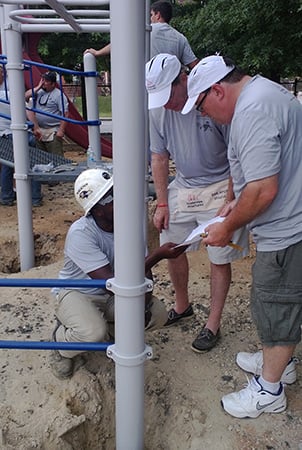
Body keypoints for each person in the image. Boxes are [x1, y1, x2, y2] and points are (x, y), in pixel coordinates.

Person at [182, 54, 302, 417]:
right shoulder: (266, 92)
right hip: (288, 223)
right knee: (278, 305)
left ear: (217, 90)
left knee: (275, 303)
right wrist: (233, 201)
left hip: (286, 230)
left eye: (202, 106)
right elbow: (259, 168)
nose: (204, 115)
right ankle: (281, 363)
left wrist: (227, 226)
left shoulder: (252, 112)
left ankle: (269, 390)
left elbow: (264, 188)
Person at [145, 53, 249, 351]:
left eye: (170, 95)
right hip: (185, 184)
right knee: (172, 246)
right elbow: (159, 156)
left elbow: (236, 154)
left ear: (183, 79)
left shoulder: (210, 102)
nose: (167, 103)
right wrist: (162, 202)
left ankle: (212, 323)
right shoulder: (157, 110)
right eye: (160, 98)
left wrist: (230, 201)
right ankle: (183, 304)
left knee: (218, 253)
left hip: (220, 181)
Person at [50, 168, 187, 379]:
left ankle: (109, 333)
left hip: (110, 294)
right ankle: (60, 345)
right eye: (110, 197)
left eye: (117, 191)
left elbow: (144, 276)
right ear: (96, 210)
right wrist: (158, 255)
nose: (119, 199)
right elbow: (111, 281)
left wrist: (142, 306)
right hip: (76, 293)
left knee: (157, 313)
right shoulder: (81, 234)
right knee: (93, 332)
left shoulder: (128, 226)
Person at [85, 1, 198, 69]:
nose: (150, 18)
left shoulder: (146, 30)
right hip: (171, 91)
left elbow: (120, 42)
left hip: (148, 86)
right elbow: (194, 64)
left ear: (158, 15)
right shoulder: (180, 37)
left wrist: (98, 52)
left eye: (151, 14)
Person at [0, 69, 42, 207]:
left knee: (7, 166)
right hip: (24, 133)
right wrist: (35, 128)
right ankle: (35, 197)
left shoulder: (8, 94)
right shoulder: (12, 94)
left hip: (7, 135)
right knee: (33, 164)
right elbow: (29, 112)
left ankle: (7, 197)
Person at [25, 71, 69, 157]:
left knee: (56, 157)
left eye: (46, 81)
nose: (43, 82)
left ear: (53, 84)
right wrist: (38, 87)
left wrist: (61, 130)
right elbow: (25, 96)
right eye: (43, 79)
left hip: (53, 131)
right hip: (39, 130)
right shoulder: (39, 92)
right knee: (42, 157)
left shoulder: (59, 95)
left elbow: (65, 113)